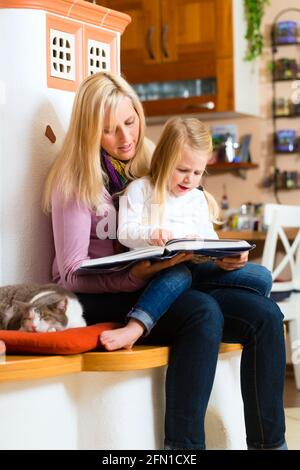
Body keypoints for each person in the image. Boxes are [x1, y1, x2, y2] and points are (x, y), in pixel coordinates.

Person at [43, 71, 287, 450]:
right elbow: (69, 273)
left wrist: (217, 253)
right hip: (107, 292)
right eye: (109, 130)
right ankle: (184, 449)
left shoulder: (149, 163)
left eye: (130, 121)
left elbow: (186, 212)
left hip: (160, 277)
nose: (126, 137)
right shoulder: (74, 182)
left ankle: (270, 445)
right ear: (90, 132)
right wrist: (133, 278)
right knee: (202, 311)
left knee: (265, 314)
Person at [100, 117, 263, 351]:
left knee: (260, 276)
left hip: (196, 265)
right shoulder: (140, 189)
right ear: (164, 160)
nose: (190, 179)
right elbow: (124, 232)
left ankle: (227, 310)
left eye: (198, 172)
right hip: (162, 267)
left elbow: (207, 234)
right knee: (179, 274)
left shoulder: (197, 197)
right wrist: (151, 234)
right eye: (183, 170)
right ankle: (135, 326)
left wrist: (225, 255)